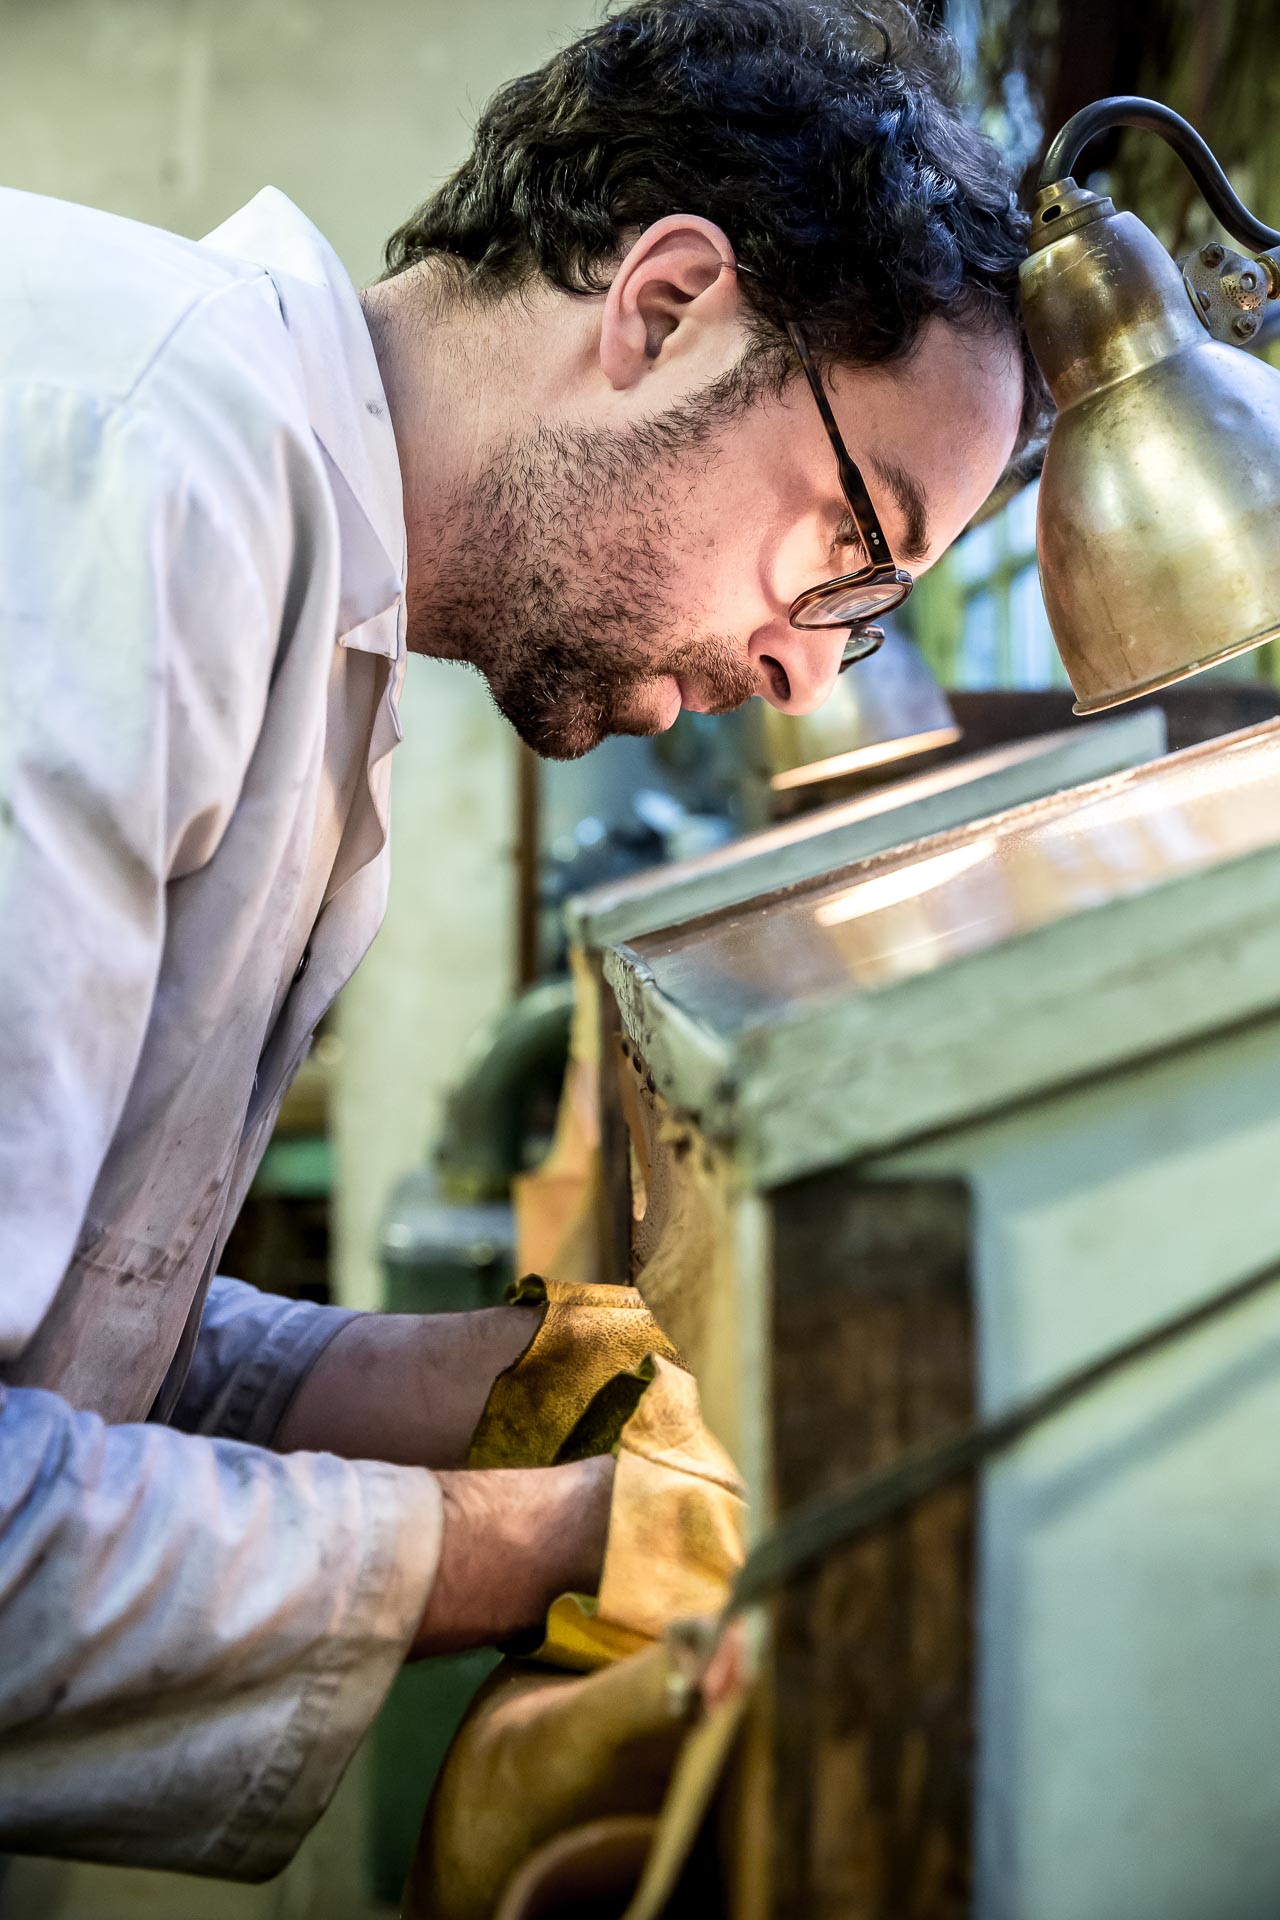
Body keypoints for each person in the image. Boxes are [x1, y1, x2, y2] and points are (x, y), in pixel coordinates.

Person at [0, 0, 1042, 1881]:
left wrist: (541, 1383)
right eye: (845, 543)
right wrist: (575, 1546)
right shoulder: (129, 479)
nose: (807, 661)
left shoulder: (301, 576)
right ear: (663, 308)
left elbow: (72, 1352)